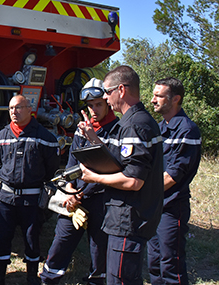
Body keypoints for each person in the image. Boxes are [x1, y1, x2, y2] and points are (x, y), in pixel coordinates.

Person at [78, 65, 164, 285]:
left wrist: (93, 177)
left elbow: (134, 180)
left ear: (122, 90)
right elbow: (119, 162)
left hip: (129, 219)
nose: (106, 99)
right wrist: (94, 141)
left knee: (120, 280)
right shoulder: (132, 122)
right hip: (124, 217)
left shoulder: (135, 125)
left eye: (107, 92)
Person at [39, 78, 116, 285]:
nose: (93, 110)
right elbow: (73, 164)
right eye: (90, 106)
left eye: (98, 104)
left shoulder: (118, 130)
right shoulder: (82, 129)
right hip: (76, 199)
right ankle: (49, 279)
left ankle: (97, 280)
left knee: (99, 247)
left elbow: (113, 167)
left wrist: (94, 139)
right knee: (61, 241)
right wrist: (70, 191)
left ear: (108, 103)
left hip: (103, 198)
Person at [0, 95, 60, 285]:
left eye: (19, 108)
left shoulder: (46, 138)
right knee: (2, 238)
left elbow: (51, 168)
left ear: (30, 109)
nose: (14, 112)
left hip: (32, 200)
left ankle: (31, 277)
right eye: (11, 108)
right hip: (5, 199)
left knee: (31, 239)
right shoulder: (1, 137)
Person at [147, 77, 202, 285]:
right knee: (154, 261)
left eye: (159, 96)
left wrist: (141, 191)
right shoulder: (159, 128)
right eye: (154, 95)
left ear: (176, 99)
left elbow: (173, 175)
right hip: (154, 205)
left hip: (171, 206)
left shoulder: (187, 130)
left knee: (171, 263)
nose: (153, 100)